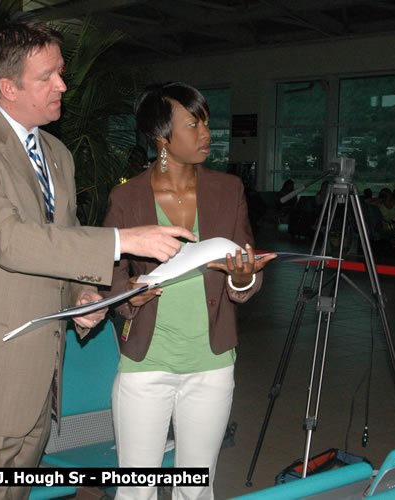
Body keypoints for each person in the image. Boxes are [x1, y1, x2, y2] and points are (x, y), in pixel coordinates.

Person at [0, 20, 195, 500]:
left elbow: (58, 247)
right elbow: (6, 239)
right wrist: (122, 240)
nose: (63, 86)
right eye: (48, 76)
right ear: (8, 87)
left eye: (61, 73)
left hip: (37, 389)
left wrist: (83, 295)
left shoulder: (57, 155)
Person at [102, 82, 276, 500]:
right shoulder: (126, 197)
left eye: (207, 125)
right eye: (193, 125)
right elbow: (110, 274)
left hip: (211, 363)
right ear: (162, 137)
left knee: (196, 490)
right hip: (147, 365)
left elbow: (245, 266)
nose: (206, 135)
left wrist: (242, 277)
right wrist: (129, 294)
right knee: (135, 493)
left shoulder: (228, 190)